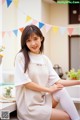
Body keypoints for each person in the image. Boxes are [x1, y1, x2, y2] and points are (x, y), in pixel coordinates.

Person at [14, 24, 80, 120]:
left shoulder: (45, 59)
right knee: (66, 117)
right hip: (29, 107)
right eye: (28, 40)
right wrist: (49, 90)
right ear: (25, 43)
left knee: (60, 89)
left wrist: (79, 81)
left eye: (35, 39)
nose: (33, 43)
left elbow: (59, 81)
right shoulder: (21, 57)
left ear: (41, 38)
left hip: (42, 101)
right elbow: (26, 83)